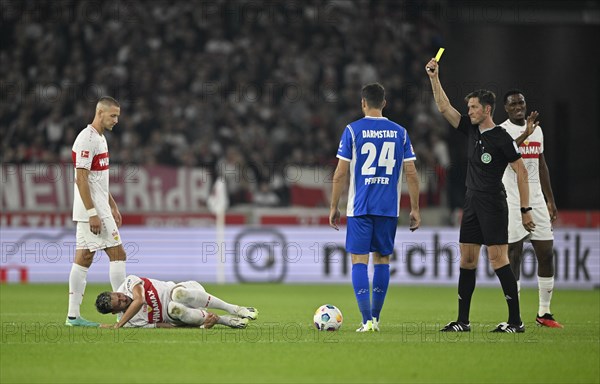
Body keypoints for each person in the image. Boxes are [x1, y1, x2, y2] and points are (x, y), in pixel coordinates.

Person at [426, 58, 535, 333]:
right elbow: (443, 107)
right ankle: (463, 321)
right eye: (469, 107)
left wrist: (525, 209)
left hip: (493, 203)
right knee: (467, 260)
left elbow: (521, 172)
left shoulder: (501, 138)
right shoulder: (471, 129)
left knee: (499, 260)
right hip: (471, 202)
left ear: (487, 109)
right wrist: (434, 77)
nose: (469, 111)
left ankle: (516, 322)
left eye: (473, 107)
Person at [329, 83, 421, 332]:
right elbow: (411, 173)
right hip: (388, 209)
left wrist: (333, 206)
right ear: (384, 103)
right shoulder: (400, 132)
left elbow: (340, 172)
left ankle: (366, 320)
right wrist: (415, 208)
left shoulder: (352, 130)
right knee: (382, 260)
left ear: (363, 103)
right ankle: (376, 320)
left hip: (360, 207)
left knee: (359, 260)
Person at [501, 90, 562, 328]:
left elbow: (541, 163)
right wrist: (524, 134)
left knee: (546, 253)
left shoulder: (537, 129)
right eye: (513, 103)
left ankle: (544, 313)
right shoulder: (502, 130)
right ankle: (514, 316)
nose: (518, 106)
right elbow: (504, 154)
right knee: (513, 255)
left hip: (536, 198)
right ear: (505, 108)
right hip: (512, 198)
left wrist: (550, 199)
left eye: (521, 102)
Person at [66, 96, 127, 327]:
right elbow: (81, 178)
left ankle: (73, 317)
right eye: (113, 115)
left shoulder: (101, 138)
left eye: (118, 116)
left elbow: (97, 180)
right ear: (99, 113)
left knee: (83, 258)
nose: (116, 120)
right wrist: (93, 212)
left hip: (99, 207)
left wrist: (112, 204)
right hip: (92, 210)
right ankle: (123, 313)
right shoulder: (86, 139)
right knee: (118, 254)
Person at [95, 275, 258, 329]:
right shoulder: (132, 322)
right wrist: (200, 326)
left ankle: (235, 309)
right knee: (173, 309)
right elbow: (165, 326)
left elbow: (140, 300)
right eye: (120, 303)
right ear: (115, 312)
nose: (123, 297)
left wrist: (118, 325)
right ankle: (224, 320)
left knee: (177, 295)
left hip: (189, 291)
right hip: (184, 314)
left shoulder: (129, 282)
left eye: (119, 295)